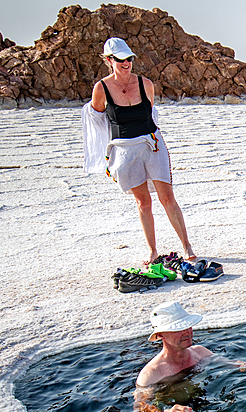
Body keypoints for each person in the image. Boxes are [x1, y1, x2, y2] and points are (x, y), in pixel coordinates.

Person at [82, 37, 196, 267]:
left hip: (151, 145)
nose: (126, 63)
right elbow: (95, 119)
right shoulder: (101, 88)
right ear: (109, 60)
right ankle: (152, 251)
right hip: (124, 150)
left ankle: (187, 247)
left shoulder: (146, 84)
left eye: (129, 59)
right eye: (121, 59)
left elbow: (151, 113)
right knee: (143, 202)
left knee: (167, 198)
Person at [135, 301, 246, 412]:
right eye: (178, 329)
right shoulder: (151, 373)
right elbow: (140, 406)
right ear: (161, 334)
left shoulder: (200, 352)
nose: (187, 332)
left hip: (207, 402)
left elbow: (232, 363)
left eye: (188, 326)